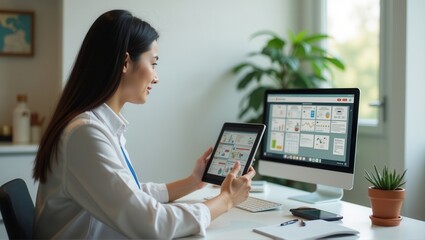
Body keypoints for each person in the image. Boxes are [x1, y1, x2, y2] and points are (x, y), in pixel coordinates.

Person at [32, 9, 255, 239]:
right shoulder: (85, 134)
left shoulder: (96, 126)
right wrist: (226, 199)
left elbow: (130, 194)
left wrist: (192, 182)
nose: (156, 77)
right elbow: (153, 224)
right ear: (125, 63)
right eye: (153, 63)